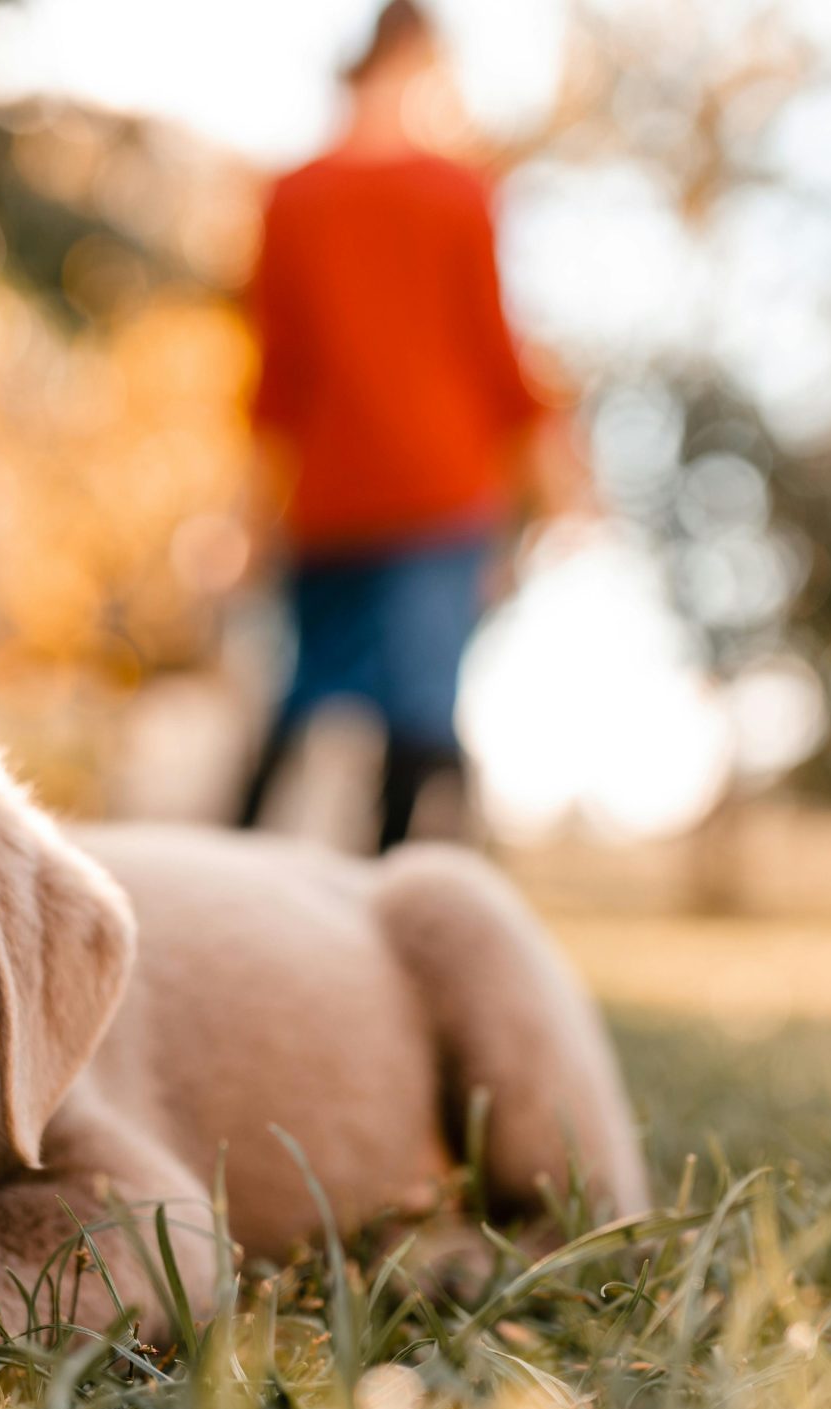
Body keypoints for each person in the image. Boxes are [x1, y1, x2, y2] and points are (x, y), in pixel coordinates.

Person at [236, 0, 590, 851]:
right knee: (423, 708)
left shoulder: (290, 197)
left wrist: (250, 517)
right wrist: (565, 491)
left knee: (301, 697)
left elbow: (276, 386)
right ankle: (391, 895)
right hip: (438, 495)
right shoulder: (460, 194)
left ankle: (227, 870)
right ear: (423, 64)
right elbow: (500, 362)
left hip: (327, 502)